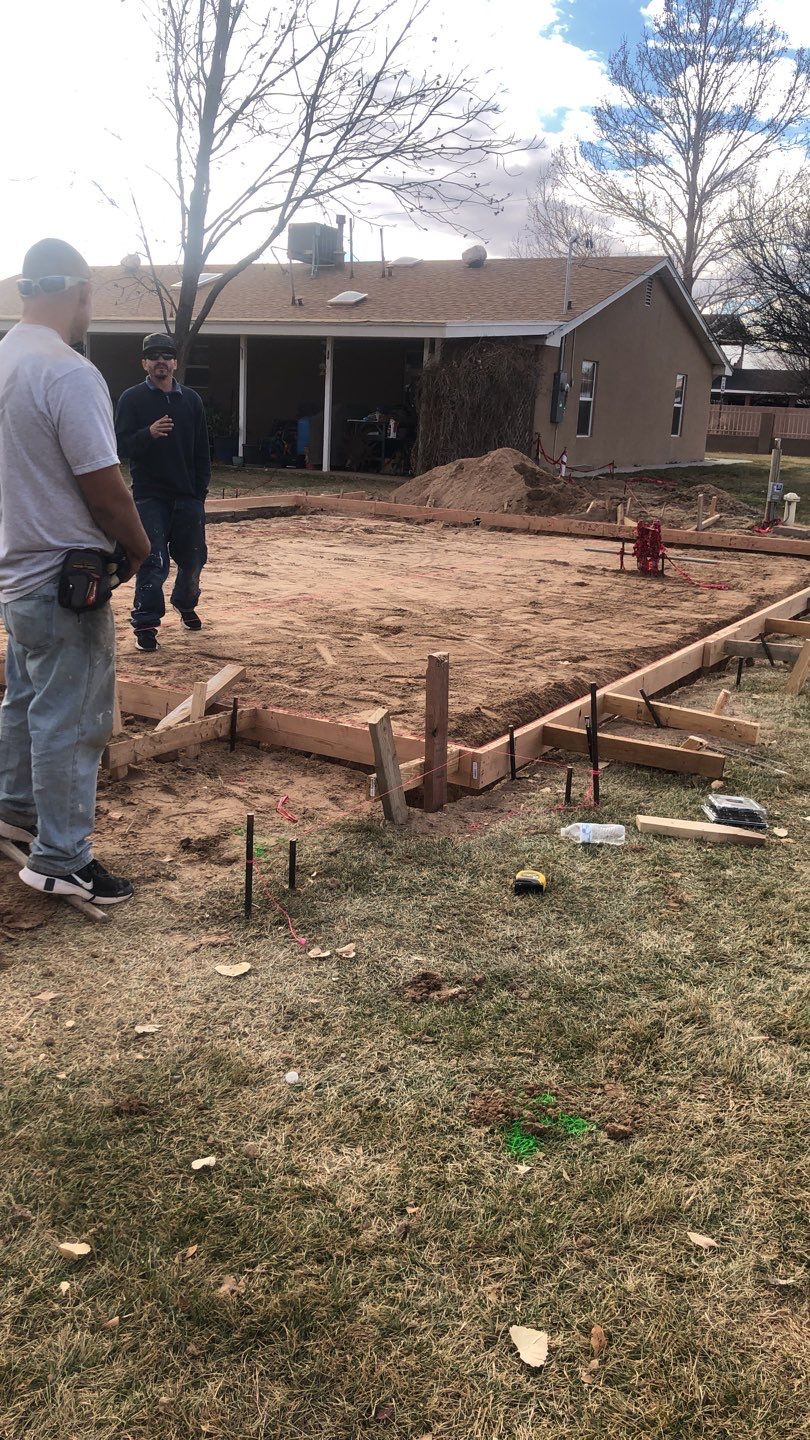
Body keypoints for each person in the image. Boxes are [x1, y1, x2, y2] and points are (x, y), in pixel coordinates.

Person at [0, 238, 150, 905]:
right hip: (67, 579)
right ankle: (61, 859)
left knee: (25, 701)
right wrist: (140, 547)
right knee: (74, 718)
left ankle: (13, 808)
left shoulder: (5, 360)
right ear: (83, 292)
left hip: (18, 573)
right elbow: (103, 486)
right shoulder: (67, 372)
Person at [114, 333, 211, 652]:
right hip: (150, 495)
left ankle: (185, 604)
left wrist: (199, 494)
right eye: (153, 355)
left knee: (194, 558)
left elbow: (201, 451)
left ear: (175, 362)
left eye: (166, 355)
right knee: (153, 560)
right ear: (144, 362)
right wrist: (148, 434)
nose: (160, 361)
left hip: (187, 496)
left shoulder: (191, 400)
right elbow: (120, 445)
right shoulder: (132, 399)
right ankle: (145, 622)